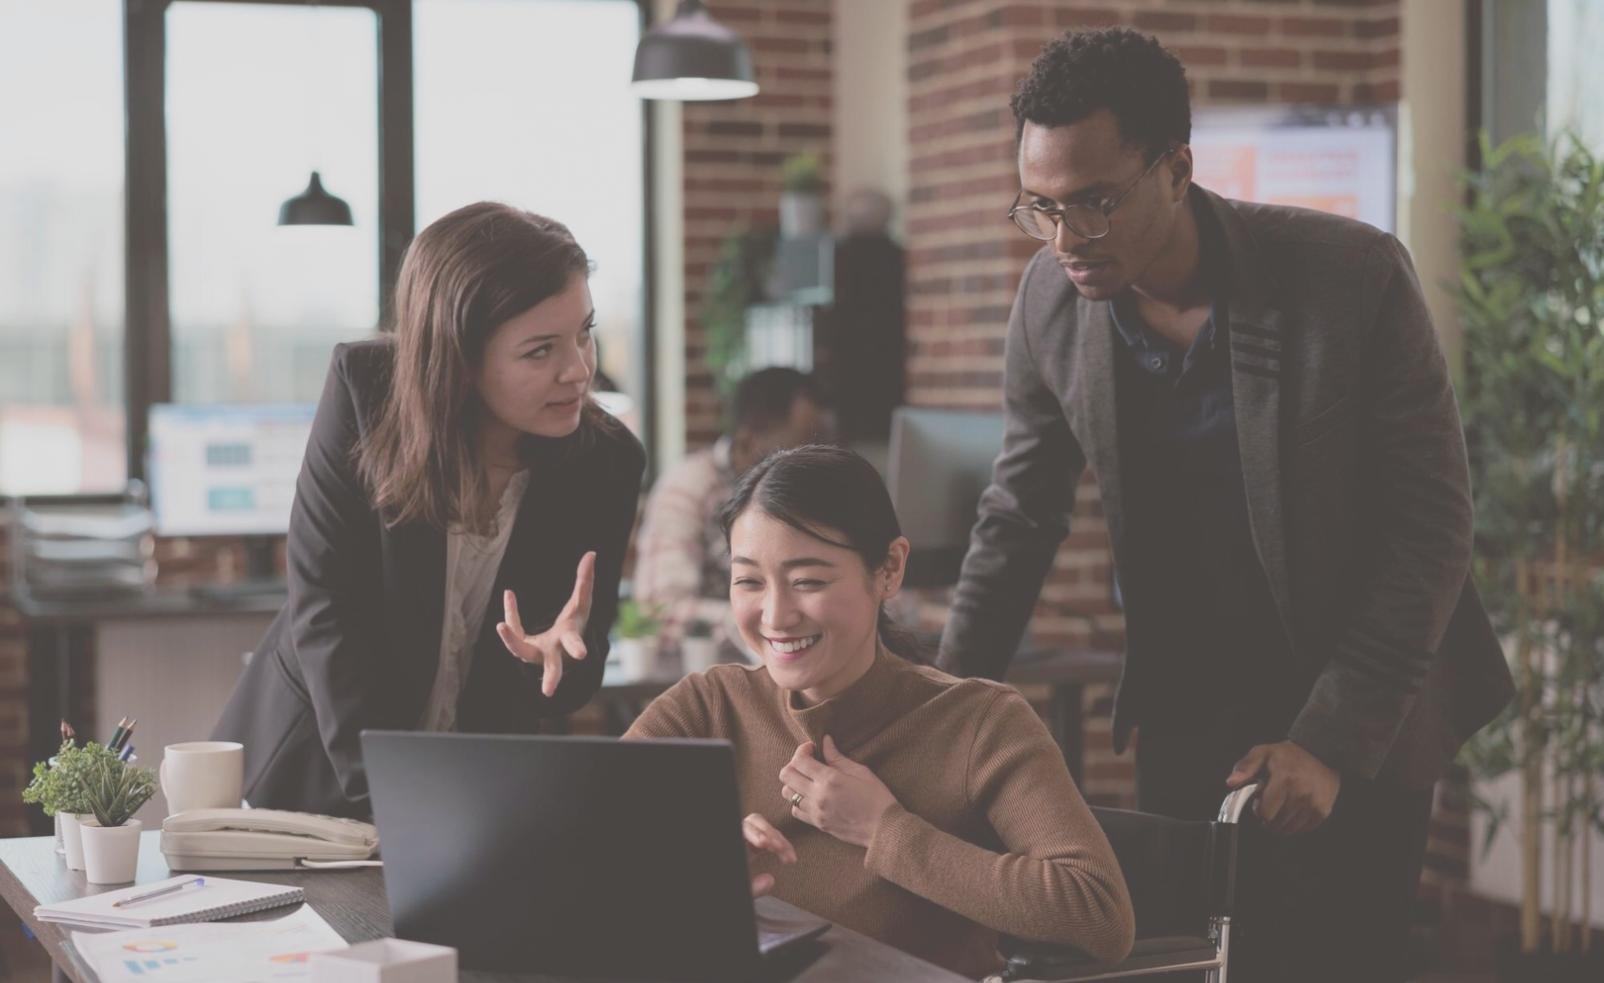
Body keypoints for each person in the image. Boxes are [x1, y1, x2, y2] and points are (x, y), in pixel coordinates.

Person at [935, 28, 1515, 983]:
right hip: (1188, 702)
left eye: (1097, 202)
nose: (1067, 236)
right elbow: (1019, 516)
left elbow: (1432, 524)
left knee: (1334, 963)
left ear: (1178, 168)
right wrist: (943, 711)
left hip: (1361, 692)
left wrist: (1328, 740)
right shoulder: (1049, 301)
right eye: (1039, 206)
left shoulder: (1351, 277)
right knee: (1192, 964)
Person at [625, 445, 1134, 979]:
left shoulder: (980, 721)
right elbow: (575, 850)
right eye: (749, 580)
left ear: (889, 569)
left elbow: (1098, 913)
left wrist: (885, 830)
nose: (774, 614)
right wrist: (692, 866)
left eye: (808, 581)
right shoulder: (705, 707)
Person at [214, 202, 646, 818]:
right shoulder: (366, 394)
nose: (578, 371)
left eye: (584, 333)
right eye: (540, 351)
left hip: (476, 794)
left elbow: (571, 676)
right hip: (316, 772)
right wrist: (395, 799)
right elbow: (326, 609)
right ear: (461, 359)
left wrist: (552, 663)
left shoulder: (606, 461)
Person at [631, 367, 826, 653]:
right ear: (749, 441)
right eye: (798, 446)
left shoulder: (809, 493)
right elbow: (658, 611)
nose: (811, 461)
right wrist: (765, 623)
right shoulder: (690, 488)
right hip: (709, 675)